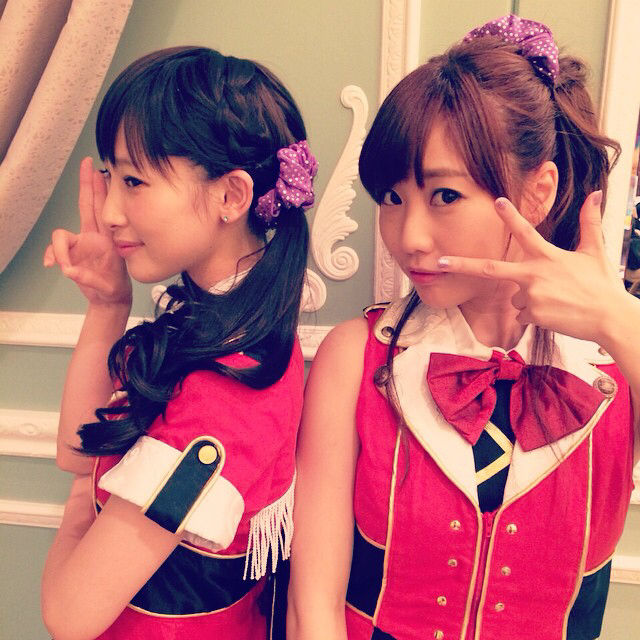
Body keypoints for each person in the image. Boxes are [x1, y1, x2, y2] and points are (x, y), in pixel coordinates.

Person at [288, 15, 639, 640]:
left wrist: (618, 318)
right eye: (393, 198)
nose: (409, 237)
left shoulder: (616, 367)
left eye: (444, 196)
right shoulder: (355, 357)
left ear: (538, 192)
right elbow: (312, 605)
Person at [41, 46, 317, 640]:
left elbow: (69, 614)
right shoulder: (227, 332)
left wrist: (79, 504)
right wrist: (108, 306)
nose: (110, 211)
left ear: (231, 196)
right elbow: (77, 451)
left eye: (134, 181)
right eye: (109, 178)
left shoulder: (223, 394)